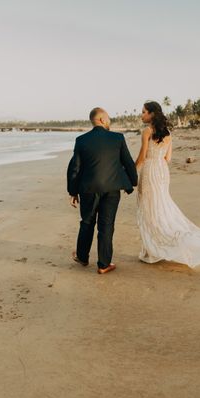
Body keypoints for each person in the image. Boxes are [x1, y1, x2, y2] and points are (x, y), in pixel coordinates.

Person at [135, 101, 200, 268]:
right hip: (162, 171)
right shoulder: (167, 133)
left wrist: (130, 174)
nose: (142, 115)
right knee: (161, 206)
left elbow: (142, 158)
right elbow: (168, 159)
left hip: (151, 170)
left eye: (144, 112)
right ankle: (156, 248)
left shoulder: (147, 131)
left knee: (149, 208)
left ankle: (151, 251)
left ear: (152, 114)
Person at [67, 107, 138, 274]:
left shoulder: (81, 140)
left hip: (88, 189)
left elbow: (74, 169)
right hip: (112, 189)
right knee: (106, 225)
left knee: (87, 222)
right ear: (101, 119)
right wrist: (133, 182)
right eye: (108, 118)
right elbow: (128, 162)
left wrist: (72, 191)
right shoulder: (117, 138)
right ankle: (104, 264)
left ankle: (82, 257)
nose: (110, 120)